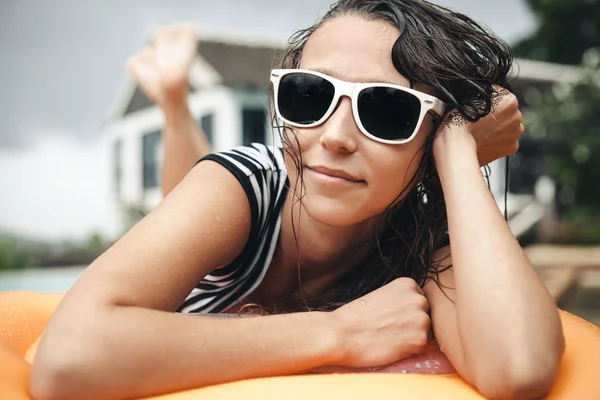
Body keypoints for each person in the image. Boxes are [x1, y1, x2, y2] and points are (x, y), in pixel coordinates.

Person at [30, 1, 564, 400]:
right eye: (308, 94)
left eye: (388, 111)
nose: (333, 137)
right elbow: (67, 359)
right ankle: (174, 100)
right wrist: (338, 332)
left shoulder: (424, 243)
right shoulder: (244, 188)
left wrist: (455, 149)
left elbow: (518, 366)